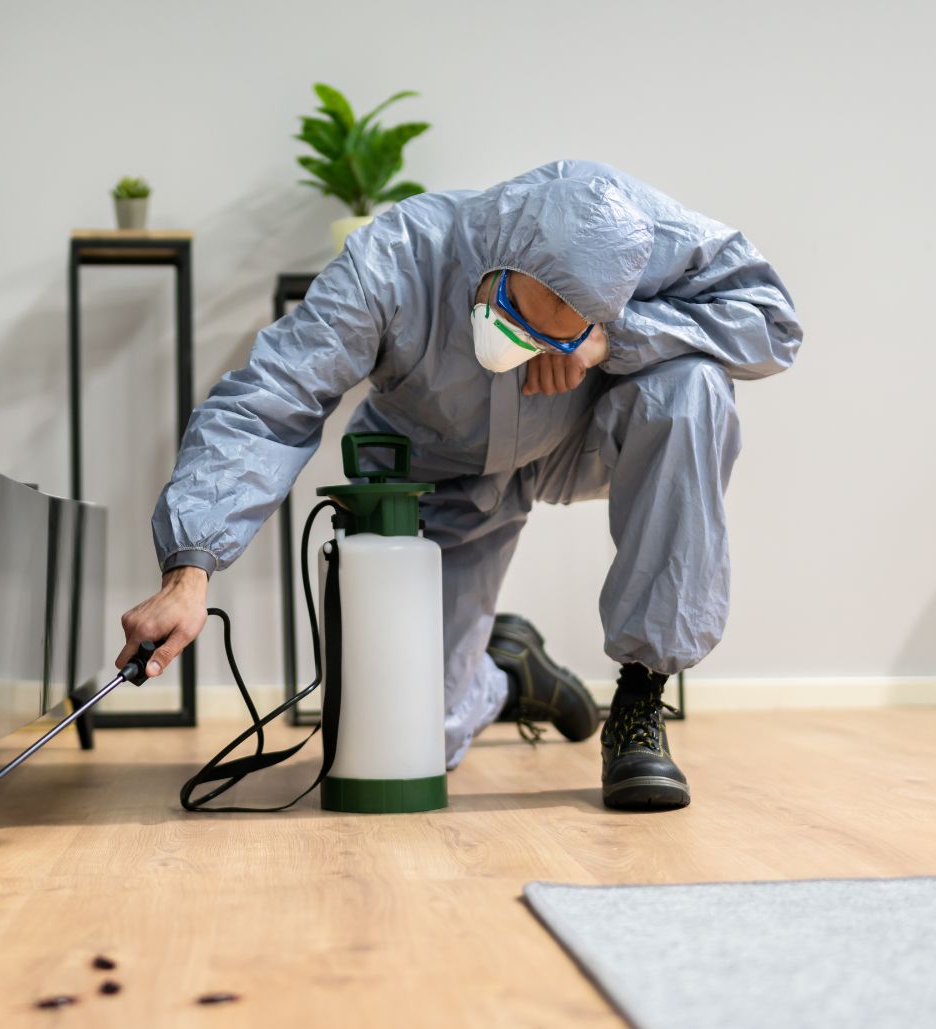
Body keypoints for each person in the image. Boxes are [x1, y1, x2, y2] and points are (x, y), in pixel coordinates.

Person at [117, 159, 801, 811]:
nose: (522, 347)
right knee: (414, 740)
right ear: (498, 259)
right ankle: (506, 675)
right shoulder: (392, 262)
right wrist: (191, 570)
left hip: (576, 439)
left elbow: (772, 322)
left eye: (550, 338)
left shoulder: (643, 234)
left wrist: (615, 341)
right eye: (519, 316)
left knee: (693, 388)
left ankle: (641, 698)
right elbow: (272, 398)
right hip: (439, 474)